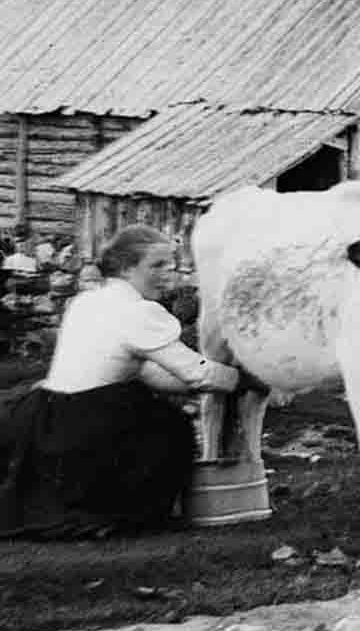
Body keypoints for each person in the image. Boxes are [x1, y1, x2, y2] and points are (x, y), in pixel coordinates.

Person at [0, 225, 254, 538]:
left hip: (47, 415)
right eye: (157, 265)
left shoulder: (86, 302)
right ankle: (126, 514)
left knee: (148, 409)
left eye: (171, 265)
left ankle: (97, 509)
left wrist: (211, 383)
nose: (168, 274)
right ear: (126, 268)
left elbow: (145, 372)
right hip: (88, 421)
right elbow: (197, 370)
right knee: (169, 428)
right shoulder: (138, 312)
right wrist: (245, 378)